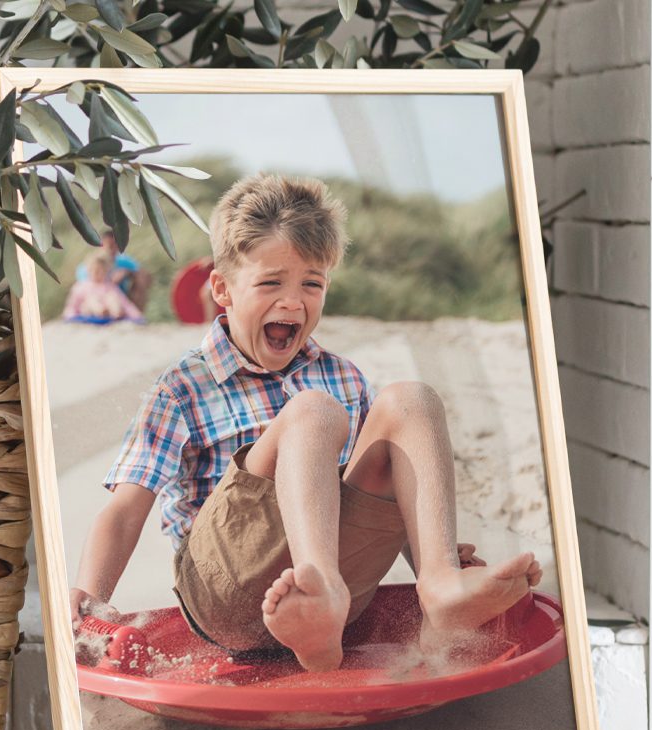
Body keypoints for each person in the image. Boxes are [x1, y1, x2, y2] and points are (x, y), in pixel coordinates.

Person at [70, 173, 542, 672]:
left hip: (342, 582)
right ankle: (320, 589)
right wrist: (90, 600)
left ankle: (439, 589)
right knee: (313, 411)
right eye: (270, 282)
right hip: (224, 589)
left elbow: (379, 495)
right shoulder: (183, 386)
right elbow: (126, 509)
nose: (293, 302)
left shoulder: (343, 375)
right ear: (222, 289)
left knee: (410, 401)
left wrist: (429, 553)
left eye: (311, 284)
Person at [61, 248, 145, 324]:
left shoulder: (109, 286)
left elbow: (125, 303)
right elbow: (72, 305)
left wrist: (137, 316)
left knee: (112, 298)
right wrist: (70, 316)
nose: (98, 274)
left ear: (106, 271)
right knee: (91, 300)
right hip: (90, 311)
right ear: (89, 270)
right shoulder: (81, 286)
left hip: (109, 312)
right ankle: (101, 311)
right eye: (95, 271)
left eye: (102, 271)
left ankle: (116, 313)